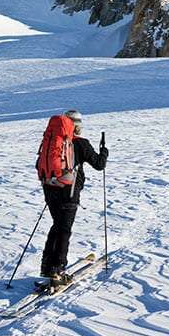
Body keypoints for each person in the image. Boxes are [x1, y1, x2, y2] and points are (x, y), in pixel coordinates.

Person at [41, 109, 108, 283]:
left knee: (57, 225)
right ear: (77, 126)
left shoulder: (52, 141)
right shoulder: (81, 143)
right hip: (69, 192)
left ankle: (47, 267)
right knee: (64, 230)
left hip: (50, 188)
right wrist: (104, 152)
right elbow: (99, 165)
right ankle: (58, 269)